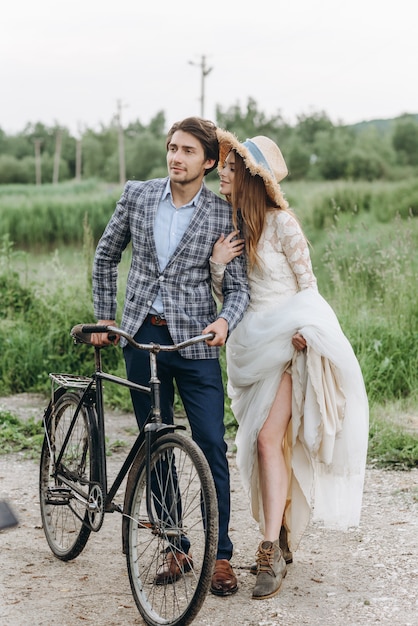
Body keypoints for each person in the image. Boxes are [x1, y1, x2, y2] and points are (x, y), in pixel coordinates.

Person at [91, 117, 250, 597]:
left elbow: (239, 289)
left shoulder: (225, 215)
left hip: (196, 343)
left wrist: (225, 321)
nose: (175, 157)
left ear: (208, 162)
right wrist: (105, 319)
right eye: (171, 148)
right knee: (153, 442)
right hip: (140, 338)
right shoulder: (137, 195)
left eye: (186, 151)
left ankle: (220, 555)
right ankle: (175, 544)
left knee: (211, 445)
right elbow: (106, 256)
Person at [210, 130, 369, 600]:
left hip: (287, 344)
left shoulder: (283, 225)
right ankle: (279, 527)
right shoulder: (232, 225)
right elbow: (230, 298)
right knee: (263, 447)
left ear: (252, 178)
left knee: (265, 439)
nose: (222, 171)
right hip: (248, 349)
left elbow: (309, 287)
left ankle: (268, 550)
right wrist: (218, 264)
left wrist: (308, 332)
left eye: (232, 167)